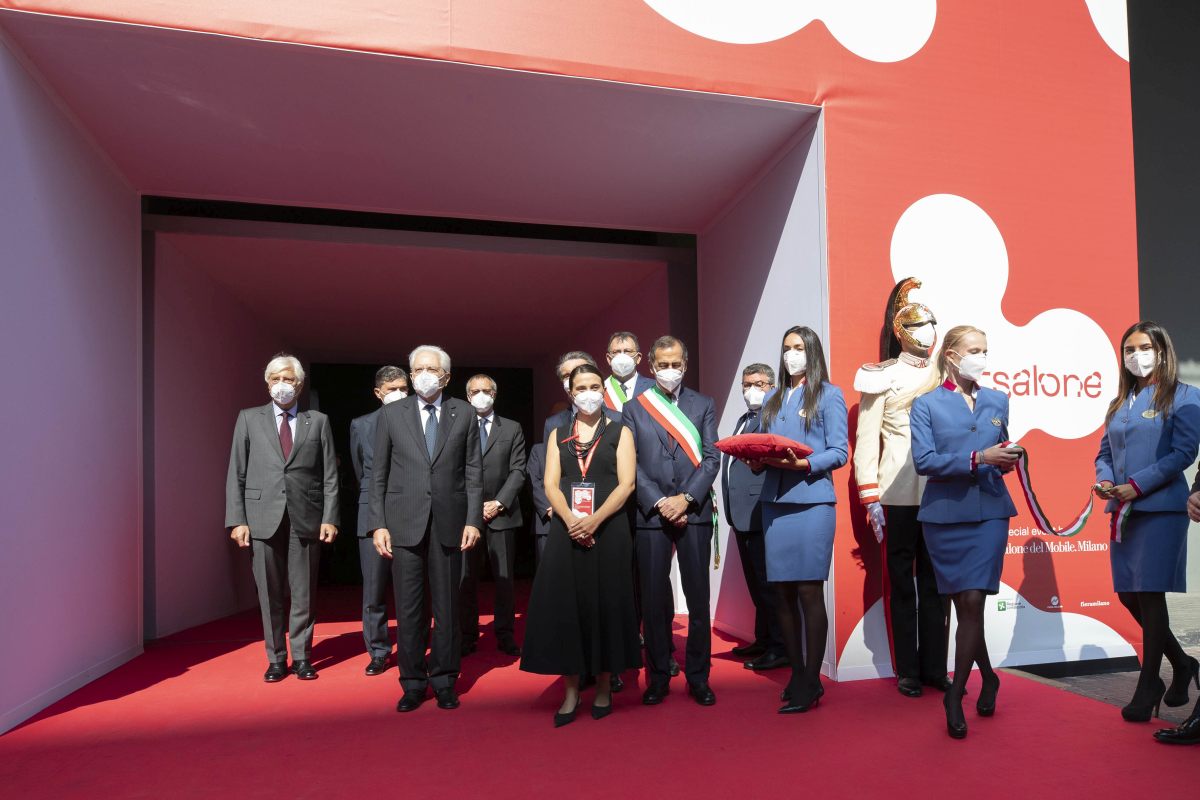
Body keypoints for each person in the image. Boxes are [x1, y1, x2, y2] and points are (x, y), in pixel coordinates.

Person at [910, 325, 1019, 739]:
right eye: (974, 350)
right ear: (951, 355)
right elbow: (924, 460)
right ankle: (989, 677)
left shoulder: (998, 400)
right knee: (964, 607)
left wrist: (1007, 457)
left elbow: (1001, 449)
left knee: (972, 601)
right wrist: (977, 458)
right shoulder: (926, 404)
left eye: (985, 349)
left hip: (990, 513)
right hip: (944, 516)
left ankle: (954, 694)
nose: (981, 357)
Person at [520, 363, 642, 726]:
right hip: (566, 529)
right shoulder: (558, 434)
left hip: (609, 528)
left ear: (603, 391)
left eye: (594, 387)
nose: (588, 394)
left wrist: (594, 519)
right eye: (581, 388)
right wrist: (572, 520)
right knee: (568, 606)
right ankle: (571, 690)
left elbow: (626, 484)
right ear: (570, 393)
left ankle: (604, 685)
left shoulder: (620, 431)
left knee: (606, 603)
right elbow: (550, 484)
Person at [1094, 321, 1200, 723]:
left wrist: (1136, 485)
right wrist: (1106, 480)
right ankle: (1183, 663)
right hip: (1123, 511)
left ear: (1161, 350)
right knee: (1129, 596)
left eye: (1144, 347)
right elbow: (1104, 453)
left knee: (1150, 595)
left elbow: (1184, 453)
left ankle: (1148, 683)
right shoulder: (1120, 403)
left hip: (1160, 510)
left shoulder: (1185, 396)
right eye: (1129, 349)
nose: (1135, 356)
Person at [370, 345, 483, 712]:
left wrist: (473, 519)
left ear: (445, 377)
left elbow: (473, 470)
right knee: (409, 608)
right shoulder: (391, 414)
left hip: (450, 522)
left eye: (431, 369)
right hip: (403, 522)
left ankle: (445, 679)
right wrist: (378, 524)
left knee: (448, 607)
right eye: (417, 369)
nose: (423, 375)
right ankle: (413, 682)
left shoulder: (464, 412)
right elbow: (378, 473)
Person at [853, 278, 950, 697]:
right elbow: (866, 440)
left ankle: (935, 666)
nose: (928, 330)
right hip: (897, 488)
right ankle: (907, 668)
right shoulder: (882, 375)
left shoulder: (946, 371)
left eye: (931, 322)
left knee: (936, 583)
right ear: (901, 330)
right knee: (901, 582)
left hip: (941, 486)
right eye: (918, 324)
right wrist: (870, 495)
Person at [225, 354, 339, 682]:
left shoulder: (318, 421)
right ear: (267, 383)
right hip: (261, 517)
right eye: (275, 379)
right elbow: (237, 472)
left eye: (288, 379)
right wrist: (237, 520)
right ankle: (276, 658)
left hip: (306, 516)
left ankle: (302, 657)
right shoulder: (249, 418)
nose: (281, 385)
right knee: (269, 592)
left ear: (299, 385)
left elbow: (329, 474)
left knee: (303, 592)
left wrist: (330, 517)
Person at [754, 327, 848, 713]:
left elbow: (839, 451)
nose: (791, 354)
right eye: (786, 348)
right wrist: (756, 458)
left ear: (811, 351)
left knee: (809, 591)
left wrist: (806, 464)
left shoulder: (829, 394)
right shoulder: (772, 397)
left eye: (798, 347)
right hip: (775, 502)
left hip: (812, 501)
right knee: (782, 593)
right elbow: (764, 444)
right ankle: (796, 673)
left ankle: (812, 680)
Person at [622, 335, 720, 706]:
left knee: (698, 601)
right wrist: (661, 501)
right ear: (651, 366)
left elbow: (711, 457)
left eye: (675, 364)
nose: (670, 370)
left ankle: (699, 677)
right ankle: (659, 676)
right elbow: (629, 462)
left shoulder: (703, 404)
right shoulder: (634, 408)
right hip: (652, 514)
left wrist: (686, 499)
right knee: (652, 602)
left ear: (685, 365)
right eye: (663, 364)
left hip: (693, 512)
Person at [723, 363, 786, 671]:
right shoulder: (744, 419)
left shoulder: (773, 417)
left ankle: (780, 646)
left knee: (768, 584)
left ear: (772, 386)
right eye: (747, 384)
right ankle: (763, 639)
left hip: (761, 511)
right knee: (756, 584)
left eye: (759, 384)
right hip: (740, 514)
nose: (752, 390)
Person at [460, 374, 527, 657]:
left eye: (486, 390)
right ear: (467, 396)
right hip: (466, 515)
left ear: (495, 394)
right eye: (475, 391)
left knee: (504, 579)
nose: (481, 395)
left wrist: (499, 502)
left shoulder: (511, 428)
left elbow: (518, 470)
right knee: (465, 578)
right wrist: (473, 506)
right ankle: (466, 635)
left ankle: (505, 634)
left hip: (502, 514)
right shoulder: (457, 426)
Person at [348, 365, 409, 676]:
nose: (398, 394)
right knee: (373, 589)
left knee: (411, 587)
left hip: (410, 513)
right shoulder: (361, 425)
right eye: (391, 390)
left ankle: (414, 646)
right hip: (371, 513)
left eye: (403, 388)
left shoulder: (419, 420)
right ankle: (378, 651)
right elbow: (361, 471)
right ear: (378, 393)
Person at [544, 350, 620, 442]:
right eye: (567, 376)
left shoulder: (618, 419)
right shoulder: (553, 424)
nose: (574, 379)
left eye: (580, 371)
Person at [603, 331, 655, 412]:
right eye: (616, 352)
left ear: (638, 358)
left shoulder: (654, 388)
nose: (622, 356)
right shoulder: (601, 389)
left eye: (628, 351)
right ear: (609, 359)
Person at [528, 442, 551, 563]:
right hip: (546, 521)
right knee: (546, 568)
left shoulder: (575, 447)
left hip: (574, 520)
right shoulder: (539, 450)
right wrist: (549, 509)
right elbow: (533, 483)